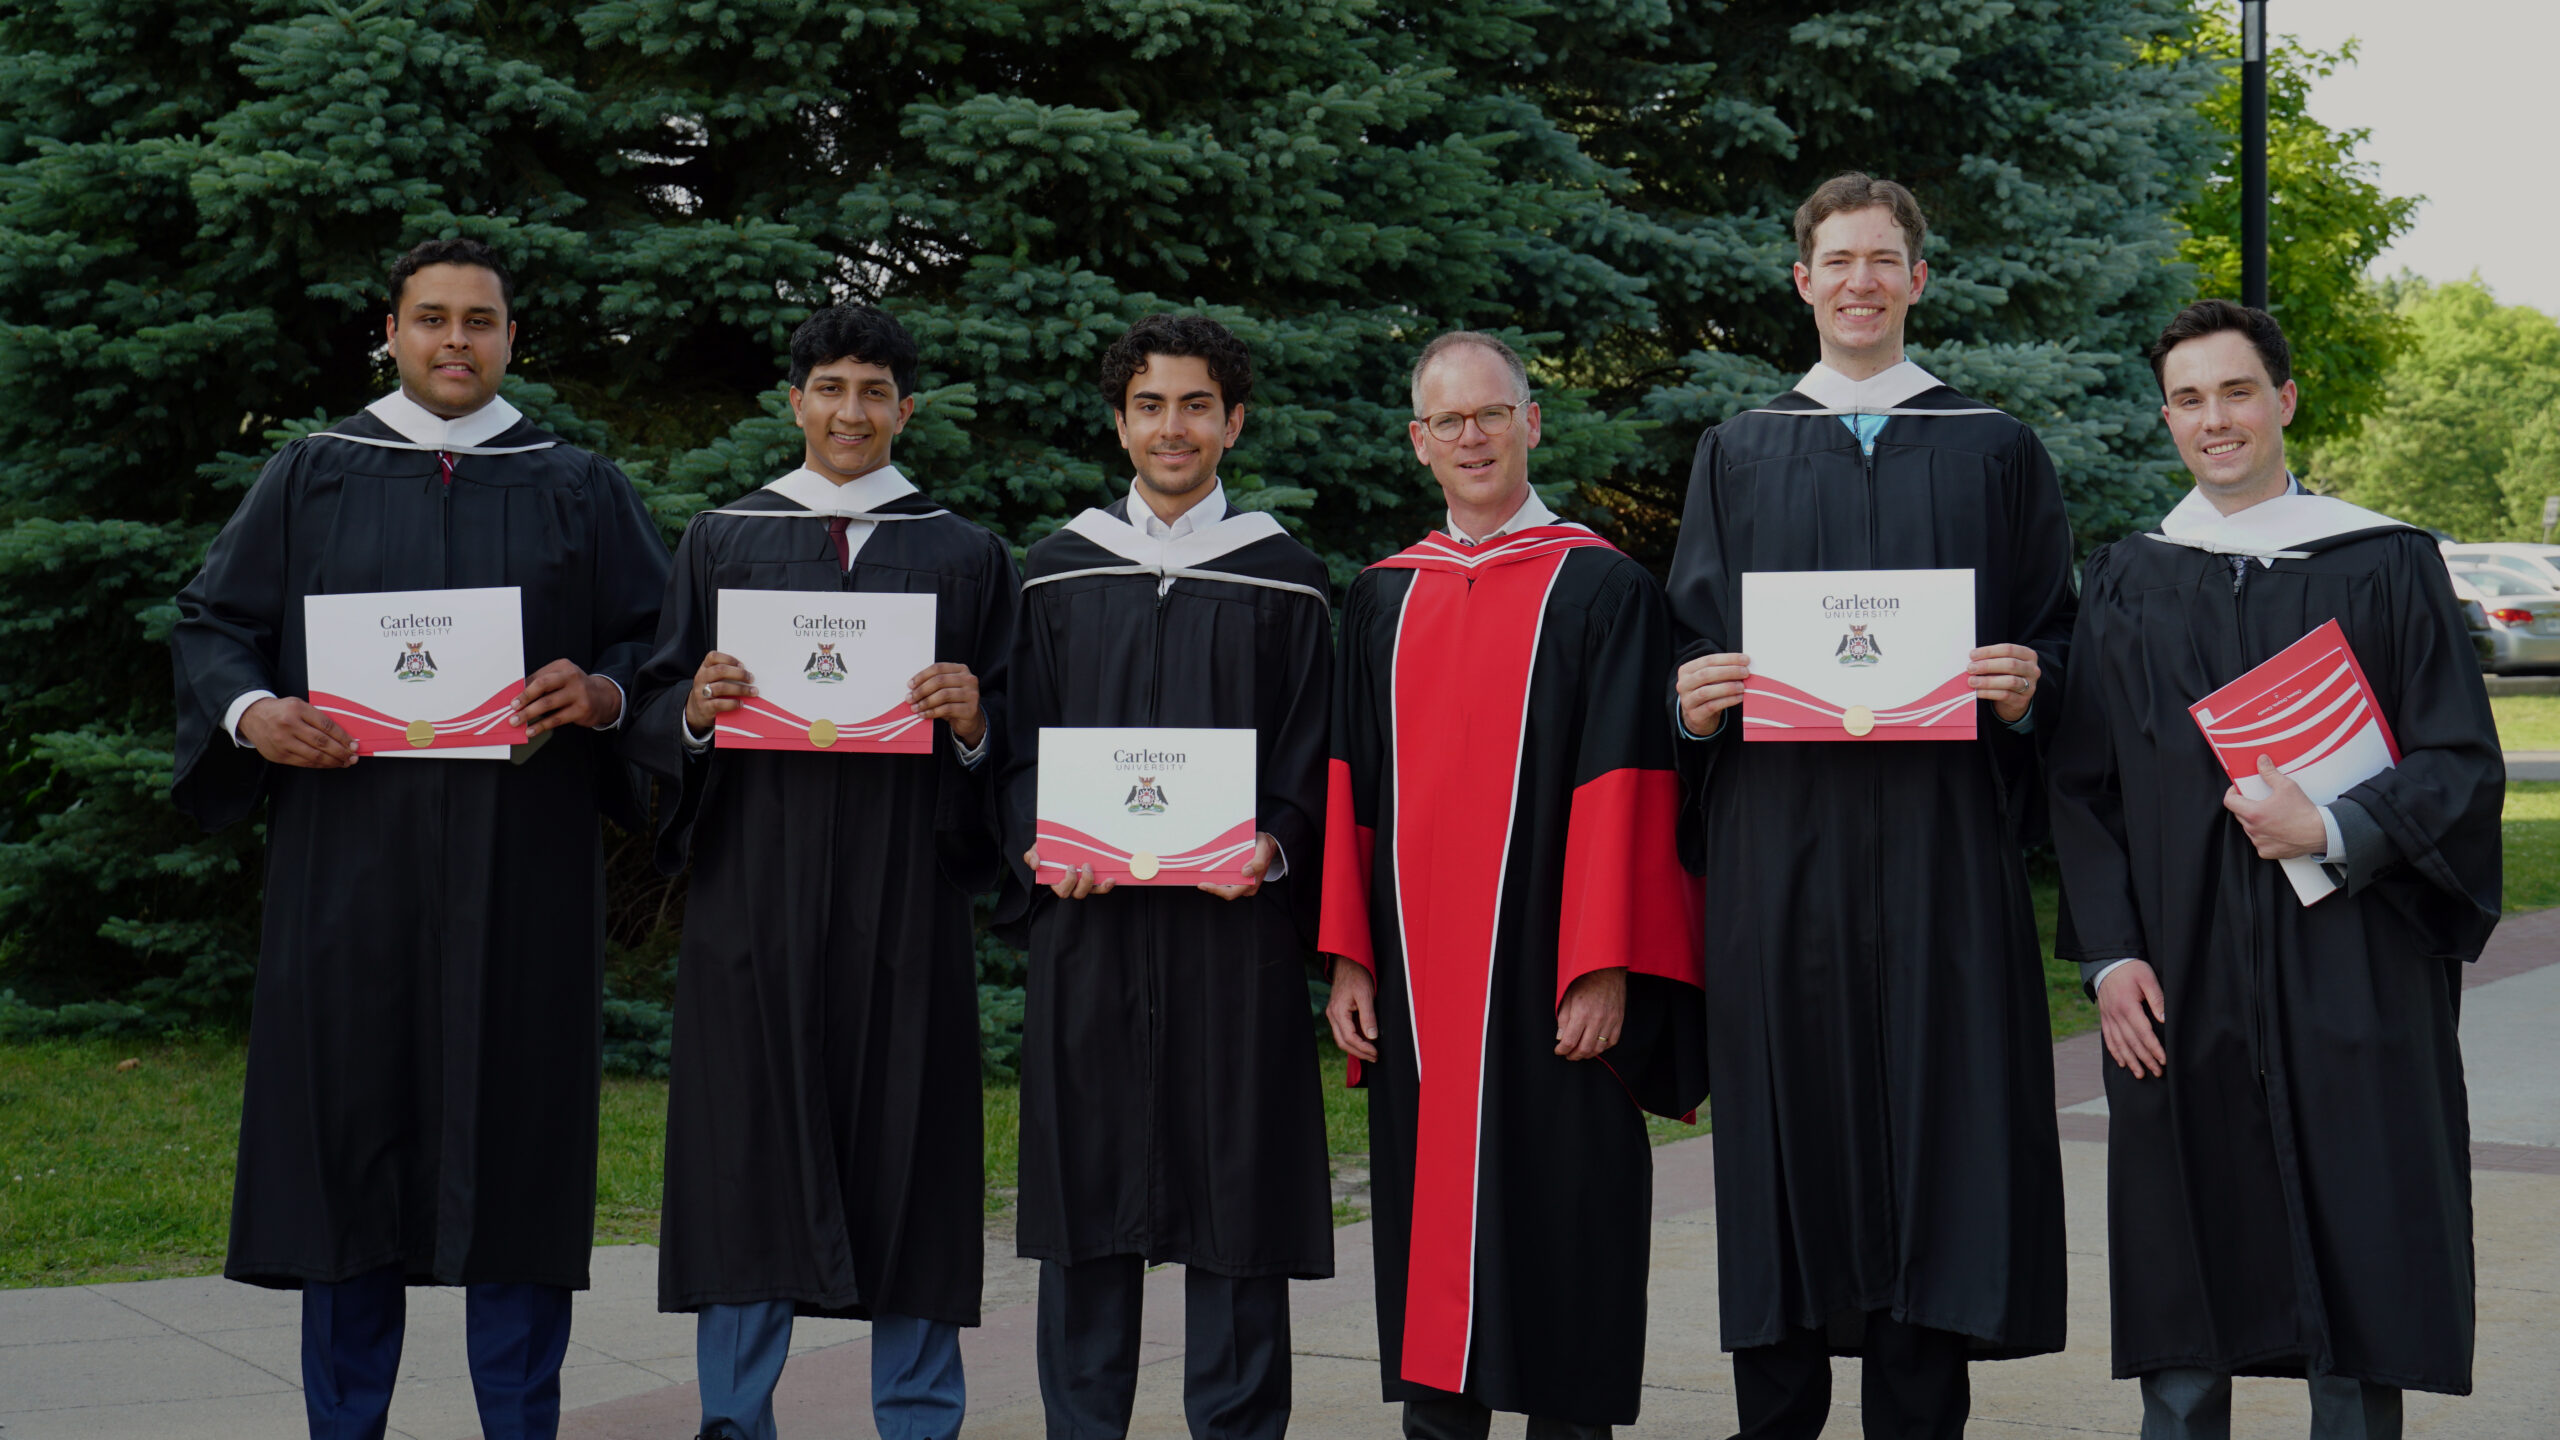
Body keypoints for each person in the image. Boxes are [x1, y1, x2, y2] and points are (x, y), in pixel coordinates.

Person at [168, 238, 669, 1439]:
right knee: (347, 1152)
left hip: (522, 875)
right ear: (389, 332)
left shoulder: (574, 481)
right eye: (432, 319)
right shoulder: (313, 472)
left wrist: (600, 696)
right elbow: (212, 624)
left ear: (512, 338)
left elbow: (657, 646)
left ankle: (520, 1422)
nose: (456, 341)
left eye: (481, 321)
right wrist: (253, 713)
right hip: (349, 872)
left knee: (522, 1150)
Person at [1666, 173, 2075, 1438]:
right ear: (1801, 281)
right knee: (1783, 1135)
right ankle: (1774, 1416)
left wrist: (2026, 689)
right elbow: (1685, 649)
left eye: (1881, 260)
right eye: (1835, 259)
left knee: (1933, 1131)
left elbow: (2056, 639)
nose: (1858, 281)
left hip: (1940, 855)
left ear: (1916, 280)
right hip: (1777, 858)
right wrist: (1688, 706)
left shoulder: (1995, 447)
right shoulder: (1737, 451)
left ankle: (1915, 1413)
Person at [2047, 300, 2498, 1440]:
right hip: (2181, 979)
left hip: (2352, 964)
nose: (2215, 419)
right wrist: (2108, 956)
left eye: (2236, 391)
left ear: (2283, 400)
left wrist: (2338, 826)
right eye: (2189, 399)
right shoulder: (2127, 579)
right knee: (2186, 1285)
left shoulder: (2386, 561)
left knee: (2358, 1265)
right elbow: (2083, 789)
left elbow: (2459, 760)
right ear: (2166, 419)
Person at [625, 304, 1019, 1440]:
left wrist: (976, 721)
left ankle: (917, 1418)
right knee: (743, 1154)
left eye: (875, 391)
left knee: (911, 1154)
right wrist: (693, 711)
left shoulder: (964, 553)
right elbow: (651, 705)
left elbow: (1015, 738)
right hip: (754, 899)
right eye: (831, 388)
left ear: (905, 408)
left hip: (907, 902)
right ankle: (734, 1419)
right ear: (794, 401)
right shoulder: (722, 540)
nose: (852, 412)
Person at [1321, 331, 1709, 1439]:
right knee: (1428, 1228)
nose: (1473, 438)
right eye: (1448, 421)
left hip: (1554, 981)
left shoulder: (1600, 588)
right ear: (1418, 443)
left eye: (1492, 414)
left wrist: (1606, 964)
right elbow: (1352, 786)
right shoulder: (1381, 599)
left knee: (1567, 1221)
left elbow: (1628, 788)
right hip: (1416, 981)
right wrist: (1350, 953)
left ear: (1532, 423)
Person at [998, 312, 1335, 1440]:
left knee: (1236, 1199)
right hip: (1088, 935)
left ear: (1233, 422)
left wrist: (1275, 843)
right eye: (1151, 404)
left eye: (1197, 404)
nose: (1173, 427)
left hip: (1232, 940)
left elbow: (1313, 749)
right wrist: (1037, 840)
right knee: (1087, 1201)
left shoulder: (1286, 580)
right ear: (1119, 420)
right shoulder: (1055, 573)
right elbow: (1018, 744)